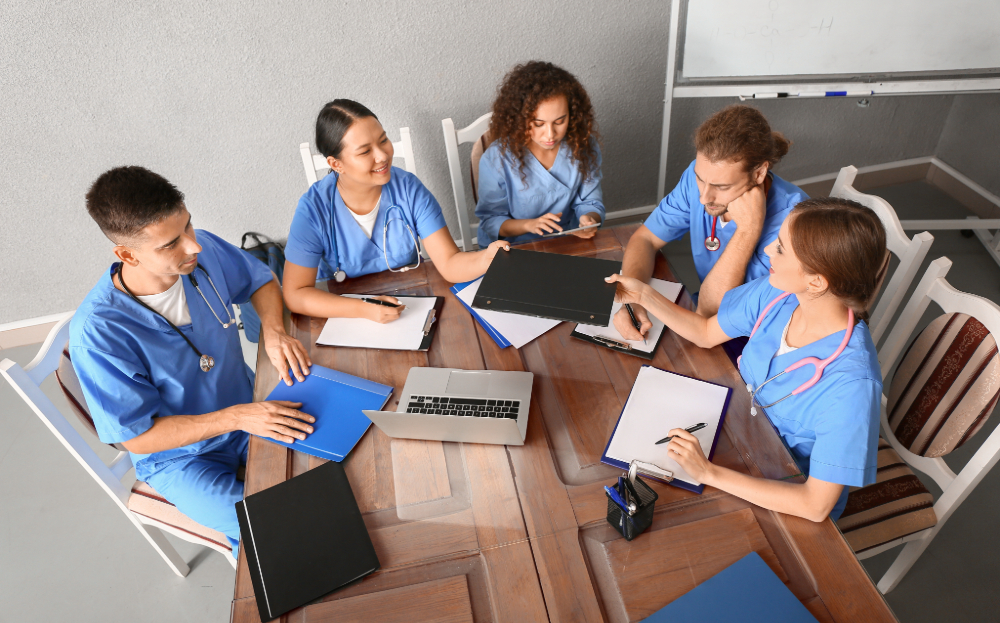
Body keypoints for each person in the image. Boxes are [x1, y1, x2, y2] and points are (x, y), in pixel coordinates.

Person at [70, 167, 316, 556]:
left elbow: (261, 280)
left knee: (337, 476)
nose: (192, 246)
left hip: (253, 408)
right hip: (181, 460)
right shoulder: (98, 333)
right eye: (170, 244)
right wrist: (236, 417)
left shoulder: (202, 253)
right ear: (125, 254)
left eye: (188, 226)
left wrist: (273, 329)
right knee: (273, 526)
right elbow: (136, 435)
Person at [607, 197, 887, 521]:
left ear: (816, 281)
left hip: (783, 487)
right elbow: (705, 332)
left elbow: (815, 505)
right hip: (735, 430)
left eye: (780, 247)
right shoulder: (779, 293)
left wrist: (708, 473)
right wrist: (642, 294)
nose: (768, 251)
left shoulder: (851, 386)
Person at [283, 100, 509, 321]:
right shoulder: (313, 210)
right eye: (364, 152)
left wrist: (485, 258)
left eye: (383, 140)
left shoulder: (409, 189)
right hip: (343, 313)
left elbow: (449, 263)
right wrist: (364, 309)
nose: (382, 155)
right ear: (336, 164)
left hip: (411, 306)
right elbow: (296, 294)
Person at [614, 105, 807, 343]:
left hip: (749, 338)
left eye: (722, 187)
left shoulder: (793, 224)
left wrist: (747, 231)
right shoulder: (702, 180)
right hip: (701, 318)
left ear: (759, 174)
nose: (704, 197)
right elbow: (646, 238)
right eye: (700, 178)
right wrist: (633, 300)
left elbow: (714, 312)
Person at [475, 61, 605, 247]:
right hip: (513, 248)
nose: (550, 134)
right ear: (520, 119)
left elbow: (590, 203)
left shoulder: (583, 146)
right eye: (538, 124)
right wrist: (529, 225)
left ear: (572, 115)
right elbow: (491, 221)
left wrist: (589, 219)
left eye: (560, 121)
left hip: (566, 243)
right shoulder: (498, 158)